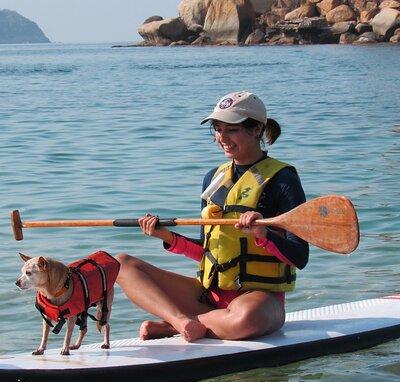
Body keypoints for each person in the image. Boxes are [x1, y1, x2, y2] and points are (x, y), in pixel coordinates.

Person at [116, 91, 309, 342]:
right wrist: (166, 237)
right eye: (218, 129)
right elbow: (207, 251)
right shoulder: (213, 178)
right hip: (207, 295)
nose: (222, 138)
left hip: (258, 300)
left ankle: (172, 327)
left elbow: (299, 256)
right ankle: (181, 321)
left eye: (232, 130)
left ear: (257, 129)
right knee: (121, 264)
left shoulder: (283, 180)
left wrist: (263, 234)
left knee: (248, 318)